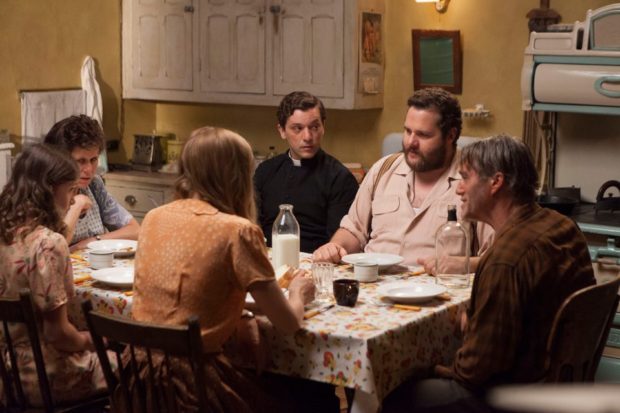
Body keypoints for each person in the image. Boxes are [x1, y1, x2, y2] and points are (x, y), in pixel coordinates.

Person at [127, 126, 339, 412]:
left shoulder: (154, 217)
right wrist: (299, 293)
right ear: (237, 176)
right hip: (196, 387)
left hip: (140, 382)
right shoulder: (237, 231)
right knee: (316, 391)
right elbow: (288, 323)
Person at [382, 135, 596, 413]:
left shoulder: (506, 259)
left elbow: (474, 371)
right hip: (561, 383)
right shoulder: (563, 227)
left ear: (496, 183)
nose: (458, 189)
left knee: (395, 392)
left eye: (465, 178)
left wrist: (432, 368)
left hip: (519, 394)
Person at [313, 88, 493, 268]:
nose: (410, 142)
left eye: (423, 135)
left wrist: (462, 265)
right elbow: (353, 230)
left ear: (450, 136)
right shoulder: (383, 170)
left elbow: (495, 258)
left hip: (437, 289)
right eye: (408, 131)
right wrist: (335, 247)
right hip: (373, 287)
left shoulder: (475, 180)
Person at [0, 144, 109, 406]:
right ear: (49, 189)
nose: (73, 199)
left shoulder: (7, 230)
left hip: (5, 372)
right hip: (42, 375)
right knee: (135, 368)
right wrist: (94, 340)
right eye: (71, 189)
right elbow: (57, 334)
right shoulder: (48, 244)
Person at [254, 91, 359, 253]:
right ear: (282, 131)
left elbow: (339, 242)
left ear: (323, 127)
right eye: (298, 128)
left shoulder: (340, 178)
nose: (308, 136)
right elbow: (253, 226)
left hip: (318, 262)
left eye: (314, 127)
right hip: (266, 260)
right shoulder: (265, 171)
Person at [44, 115, 139, 251]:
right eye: (80, 161)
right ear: (60, 159)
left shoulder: (94, 185)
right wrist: (76, 206)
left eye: (93, 159)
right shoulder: (45, 191)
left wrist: (93, 241)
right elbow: (53, 249)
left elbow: (135, 230)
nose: (89, 170)